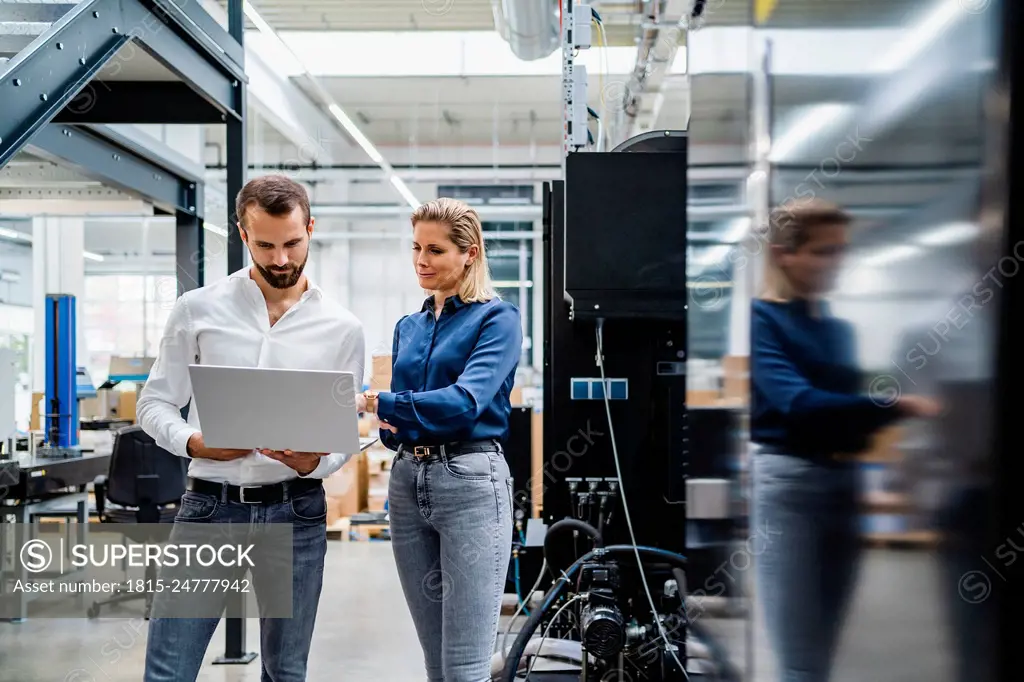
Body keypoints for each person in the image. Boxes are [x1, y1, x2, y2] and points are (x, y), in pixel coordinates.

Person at [137, 174, 365, 681]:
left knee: (286, 671)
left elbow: (344, 429)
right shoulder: (197, 309)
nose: (281, 260)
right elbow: (153, 405)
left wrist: (319, 462)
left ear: (310, 228)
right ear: (243, 235)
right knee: (169, 669)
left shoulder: (342, 327)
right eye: (265, 245)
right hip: (209, 508)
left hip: (296, 510)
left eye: (292, 244)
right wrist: (194, 442)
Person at [749, 199, 940, 682]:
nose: (836, 263)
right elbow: (799, 403)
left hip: (843, 483)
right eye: (823, 252)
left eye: (841, 252)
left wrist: (902, 407)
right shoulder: (763, 321)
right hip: (790, 485)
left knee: (823, 654)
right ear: (783, 255)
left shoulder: (836, 330)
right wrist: (898, 407)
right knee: (799, 658)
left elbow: (847, 414)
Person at [357, 197, 521, 682]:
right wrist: (395, 427)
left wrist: (381, 404)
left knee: (465, 667)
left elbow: (466, 402)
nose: (421, 261)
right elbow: (412, 417)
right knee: (435, 663)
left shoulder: (497, 319)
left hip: (470, 481)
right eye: (415, 249)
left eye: (435, 250)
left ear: (469, 253)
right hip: (407, 482)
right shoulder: (409, 327)